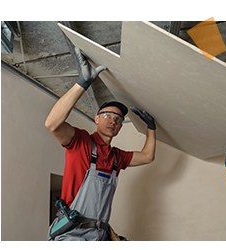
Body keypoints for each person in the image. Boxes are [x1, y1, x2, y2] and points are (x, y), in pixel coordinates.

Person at [45, 48, 156, 241]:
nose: (113, 121)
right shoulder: (81, 142)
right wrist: (82, 83)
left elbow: (147, 156)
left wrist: (151, 128)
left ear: (121, 126)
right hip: (71, 235)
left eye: (118, 119)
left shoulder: (116, 157)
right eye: (107, 116)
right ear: (96, 119)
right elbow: (52, 124)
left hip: (99, 235)